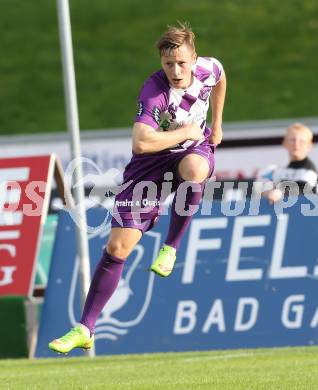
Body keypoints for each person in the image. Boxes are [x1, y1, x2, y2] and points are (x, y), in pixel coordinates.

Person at [49, 22, 226, 354]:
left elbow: (221, 78)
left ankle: (170, 247)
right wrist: (184, 132)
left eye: (182, 63)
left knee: (195, 168)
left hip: (191, 152)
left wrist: (216, 125)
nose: (175, 70)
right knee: (117, 249)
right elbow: (142, 143)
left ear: (194, 59)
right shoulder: (154, 90)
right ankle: (85, 327)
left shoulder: (208, 68)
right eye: (168, 63)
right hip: (149, 165)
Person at [257, 123, 317, 203]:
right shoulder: (280, 171)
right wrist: (268, 192)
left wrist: (280, 192)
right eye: (292, 140)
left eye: (302, 141)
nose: (296, 144)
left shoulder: (310, 171)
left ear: (309, 146)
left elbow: (302, 192)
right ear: (284, 143)